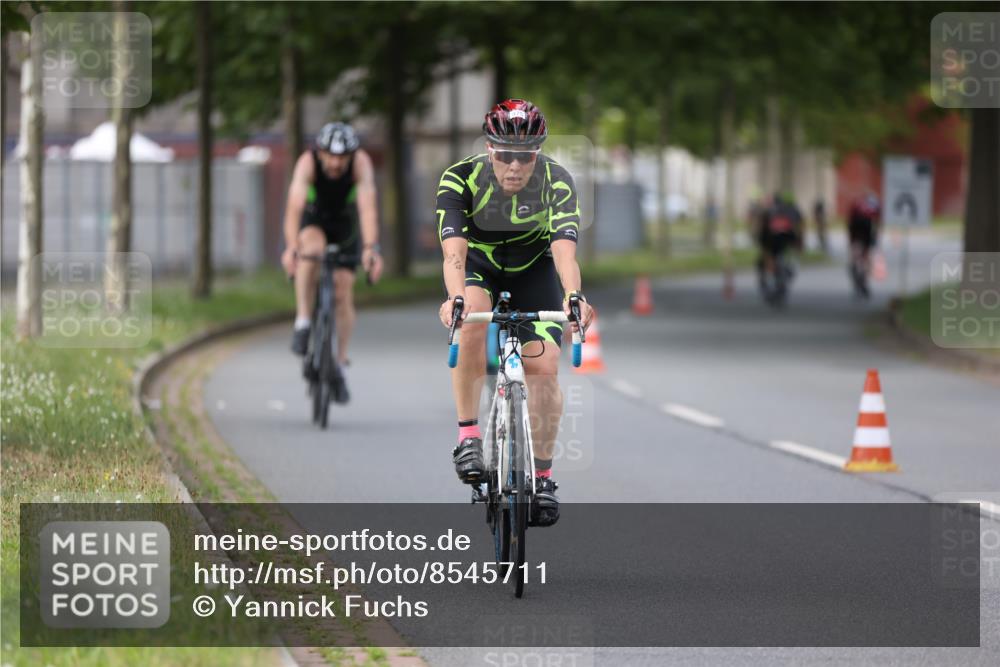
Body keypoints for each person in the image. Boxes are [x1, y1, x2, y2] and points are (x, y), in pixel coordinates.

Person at [435, 99, 594, 527]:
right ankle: (468, 436)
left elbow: (564, 252)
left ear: (538, 153)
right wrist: (455, 298)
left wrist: (574, 295)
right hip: (478, 267)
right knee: (472, 317)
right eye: (505, 154)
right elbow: (454, 254)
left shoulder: (557, 181)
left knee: (544, 368)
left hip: (534, 270)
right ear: (490, 148)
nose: (515, 165)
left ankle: (542, 478)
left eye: (526, 155)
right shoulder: (460, 179)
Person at [281, 122, 384, 403]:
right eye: (331, 156)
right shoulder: (307, 163)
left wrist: (371, 249)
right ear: (320, 152)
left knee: (343, 288)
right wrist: (291, 247)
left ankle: (339, 364)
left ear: (351, 155)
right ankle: (303, 321)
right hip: (313, 220)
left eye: (342, 157)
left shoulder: (360, 164)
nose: (336, 163)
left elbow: (367, 209)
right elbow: (293, 209)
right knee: (311, 250)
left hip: (344, 226)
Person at [756, 191, 804, 287]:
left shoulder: (768, 211)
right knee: (788, 252)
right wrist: (799, 241)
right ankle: (787, 268)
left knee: (767, 255)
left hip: (772, 238)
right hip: (787, 237)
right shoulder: (793, 209)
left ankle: (769, 269)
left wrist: (762, 242)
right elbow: (799, 226)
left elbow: (763, 228)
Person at [847, 191, 880, 297]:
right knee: (865, 259)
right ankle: (863, 280)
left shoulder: (857, 204)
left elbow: (850, 222)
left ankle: (858, 279)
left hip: (857, 233)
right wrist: (875, 238)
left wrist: (850, 239)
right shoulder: (873, 206)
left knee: (856, 258)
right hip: (865, 233)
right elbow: (877, 223)